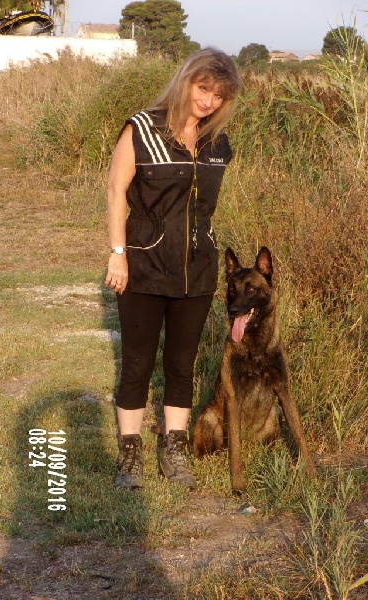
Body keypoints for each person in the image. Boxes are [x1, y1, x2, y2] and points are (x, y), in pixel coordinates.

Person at [105, 48, 241, 489]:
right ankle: (129, 456)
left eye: (218, 96)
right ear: (186, 81)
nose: (208, 101)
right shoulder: (142, 128)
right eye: (203, 89)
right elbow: (116, 190)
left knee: (182, 364)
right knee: (137, 363)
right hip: (144, 264)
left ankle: (175, 451)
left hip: (198, 269)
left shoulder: (217, 142)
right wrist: (118, 253)